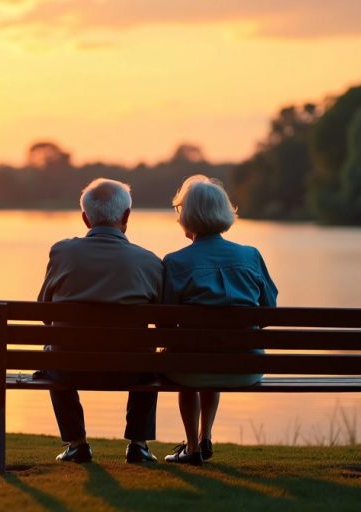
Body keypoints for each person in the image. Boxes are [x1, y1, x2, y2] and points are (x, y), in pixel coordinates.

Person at [37, 178, 164, 464]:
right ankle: (139, 444)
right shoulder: (150, 262)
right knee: (150, 356)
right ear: (127, 216)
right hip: (132, 370)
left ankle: (76, 443)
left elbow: (45, 315)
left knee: (53, 354)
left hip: (70, 368)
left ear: (85, 218)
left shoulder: (62, 252)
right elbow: (163, 327)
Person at [161, 175, 278, 465]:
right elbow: (269, 310)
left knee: (190, 358)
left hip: (190, 370)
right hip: (246, 368)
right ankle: (205, 437)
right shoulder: (251, 256)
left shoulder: (175, 262)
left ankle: (191, 447)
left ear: (186, 215)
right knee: (209, 352)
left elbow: (164, 327)